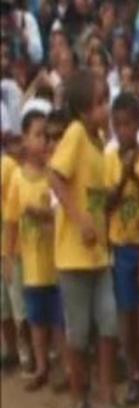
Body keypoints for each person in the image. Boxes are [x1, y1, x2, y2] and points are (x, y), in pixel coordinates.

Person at [49, 69, 133, 408]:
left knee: (108, 327)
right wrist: (79, 218)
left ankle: (107, 401)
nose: (106, 108)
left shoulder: (98, 144)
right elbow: (55, 176)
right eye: (100, 102)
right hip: (74, 257)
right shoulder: (76, 136)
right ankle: (78, 403)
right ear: (84, 109)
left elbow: (100, 201)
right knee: (79, 334)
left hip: (99, 256)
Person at [3, 110, 65, 392]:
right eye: (38, 135)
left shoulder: (55, 175)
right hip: (31, 266)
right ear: (25, 140)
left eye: (47, 136)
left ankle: (65, 366)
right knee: (37, 320)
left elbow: (61, 212)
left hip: (57, 264)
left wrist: (43, 215)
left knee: (60, 321)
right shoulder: (17, 178)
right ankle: (42, 367)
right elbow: (11, 221)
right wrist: (8, 256)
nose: (44, 141)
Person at [105, 92, 139, 406]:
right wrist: (124, 176)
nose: (123, 131)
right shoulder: (109, 160)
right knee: (127, 315)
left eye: (128, 124)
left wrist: (135, 172)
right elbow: (107, 203)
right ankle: (136, 372)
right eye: (117, 125)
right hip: (122, 247)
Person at [0, 124, 29, 373]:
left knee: (19, 306)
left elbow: (12, 214)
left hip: (12, 247)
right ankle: (11, 352)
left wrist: (9, 251)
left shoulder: (7, 167)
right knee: (4, 307)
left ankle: (26, 354)